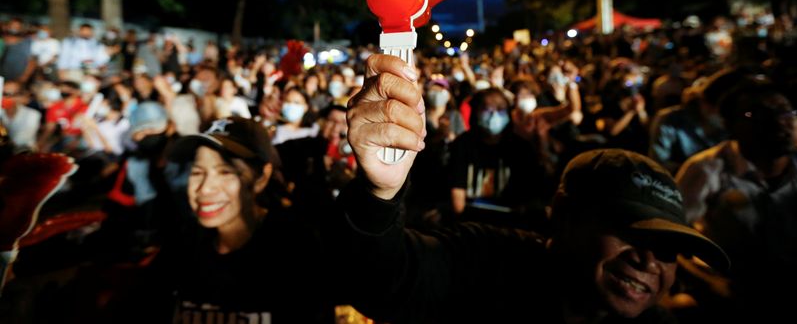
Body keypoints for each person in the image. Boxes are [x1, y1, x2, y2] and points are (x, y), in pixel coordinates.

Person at [333, 54, 729, 323]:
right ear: (564, 215)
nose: (647, 261)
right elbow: (381, 280)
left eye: (668, 249)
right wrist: (377, 194)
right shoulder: (486, 263)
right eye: (628, 232)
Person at [131, 116, 335, 323]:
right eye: (198, 172)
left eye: (225, 171)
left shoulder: (296, 251)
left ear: (261, 177)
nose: (205, 189)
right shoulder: (182, 244)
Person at [674, 79, 797, 320]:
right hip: (731, 293)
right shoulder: (706, 170)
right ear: (731, 125)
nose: (778, 122)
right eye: (756, 115)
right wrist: (710, 283)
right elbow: (669, 241)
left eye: (785, 111)